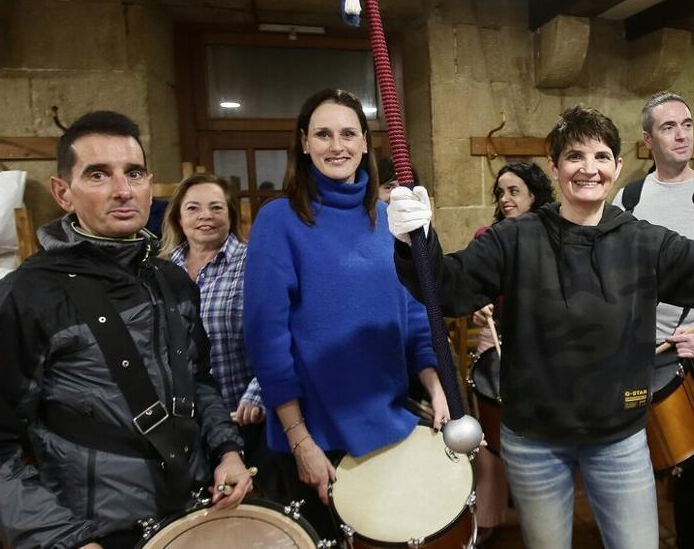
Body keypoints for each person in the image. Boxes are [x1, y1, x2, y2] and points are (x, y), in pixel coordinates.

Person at [389, 104, 694, 549]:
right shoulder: (515, 238)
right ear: (555, 167)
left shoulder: (643, 241)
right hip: (534, 439)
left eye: (601, 157)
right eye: (575, 157)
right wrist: (414, 244)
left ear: (617, 167)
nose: (589, 169)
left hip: (618, 438)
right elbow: (450, 288)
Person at [0, 111, 252, 549]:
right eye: (99, 174)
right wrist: (64, 540)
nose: (123, 190)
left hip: (193, 514)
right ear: (63, 193)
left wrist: (227, 452)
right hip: (93, 534)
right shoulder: (22, 299)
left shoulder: (172, 282)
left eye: (134, 173)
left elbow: (198, 382)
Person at [243, 88, 449, 539]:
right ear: (303, 142)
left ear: (364, 144)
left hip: (390, 426)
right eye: (323, 134)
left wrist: (437, 388)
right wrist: (300, 441)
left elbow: (416, 317)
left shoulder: (388, 218)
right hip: (318, 439)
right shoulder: (279, 221)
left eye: (348, 134)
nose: (337, 146)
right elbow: (267, 341)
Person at [611, 91, 694, 549]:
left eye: (686, 123)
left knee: (692, 468)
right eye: (668, 127)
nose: (682, 134)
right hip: (637, 358)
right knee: (632, 459)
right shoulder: (627, 199)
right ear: (647, 140)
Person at [159, 174, 268, 478]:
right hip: (183, 428)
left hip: (244, 419)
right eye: (193, 208)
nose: (205, 215)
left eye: (216, 208)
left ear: (231, 216)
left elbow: (282, 333)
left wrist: (260, 393)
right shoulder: (160, 271)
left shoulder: (254, 264)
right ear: (179, 218)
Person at [469, 161, 555, 544]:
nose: (505, 199)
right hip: (498, 337)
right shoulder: (487, 237)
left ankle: (545, 515)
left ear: (534, 194)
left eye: (514, 191)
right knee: (489, 431)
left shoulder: (555, 235)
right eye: (500, 192)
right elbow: (474, 291)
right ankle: (487, 518)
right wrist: (479, 307)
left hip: (547, 347)